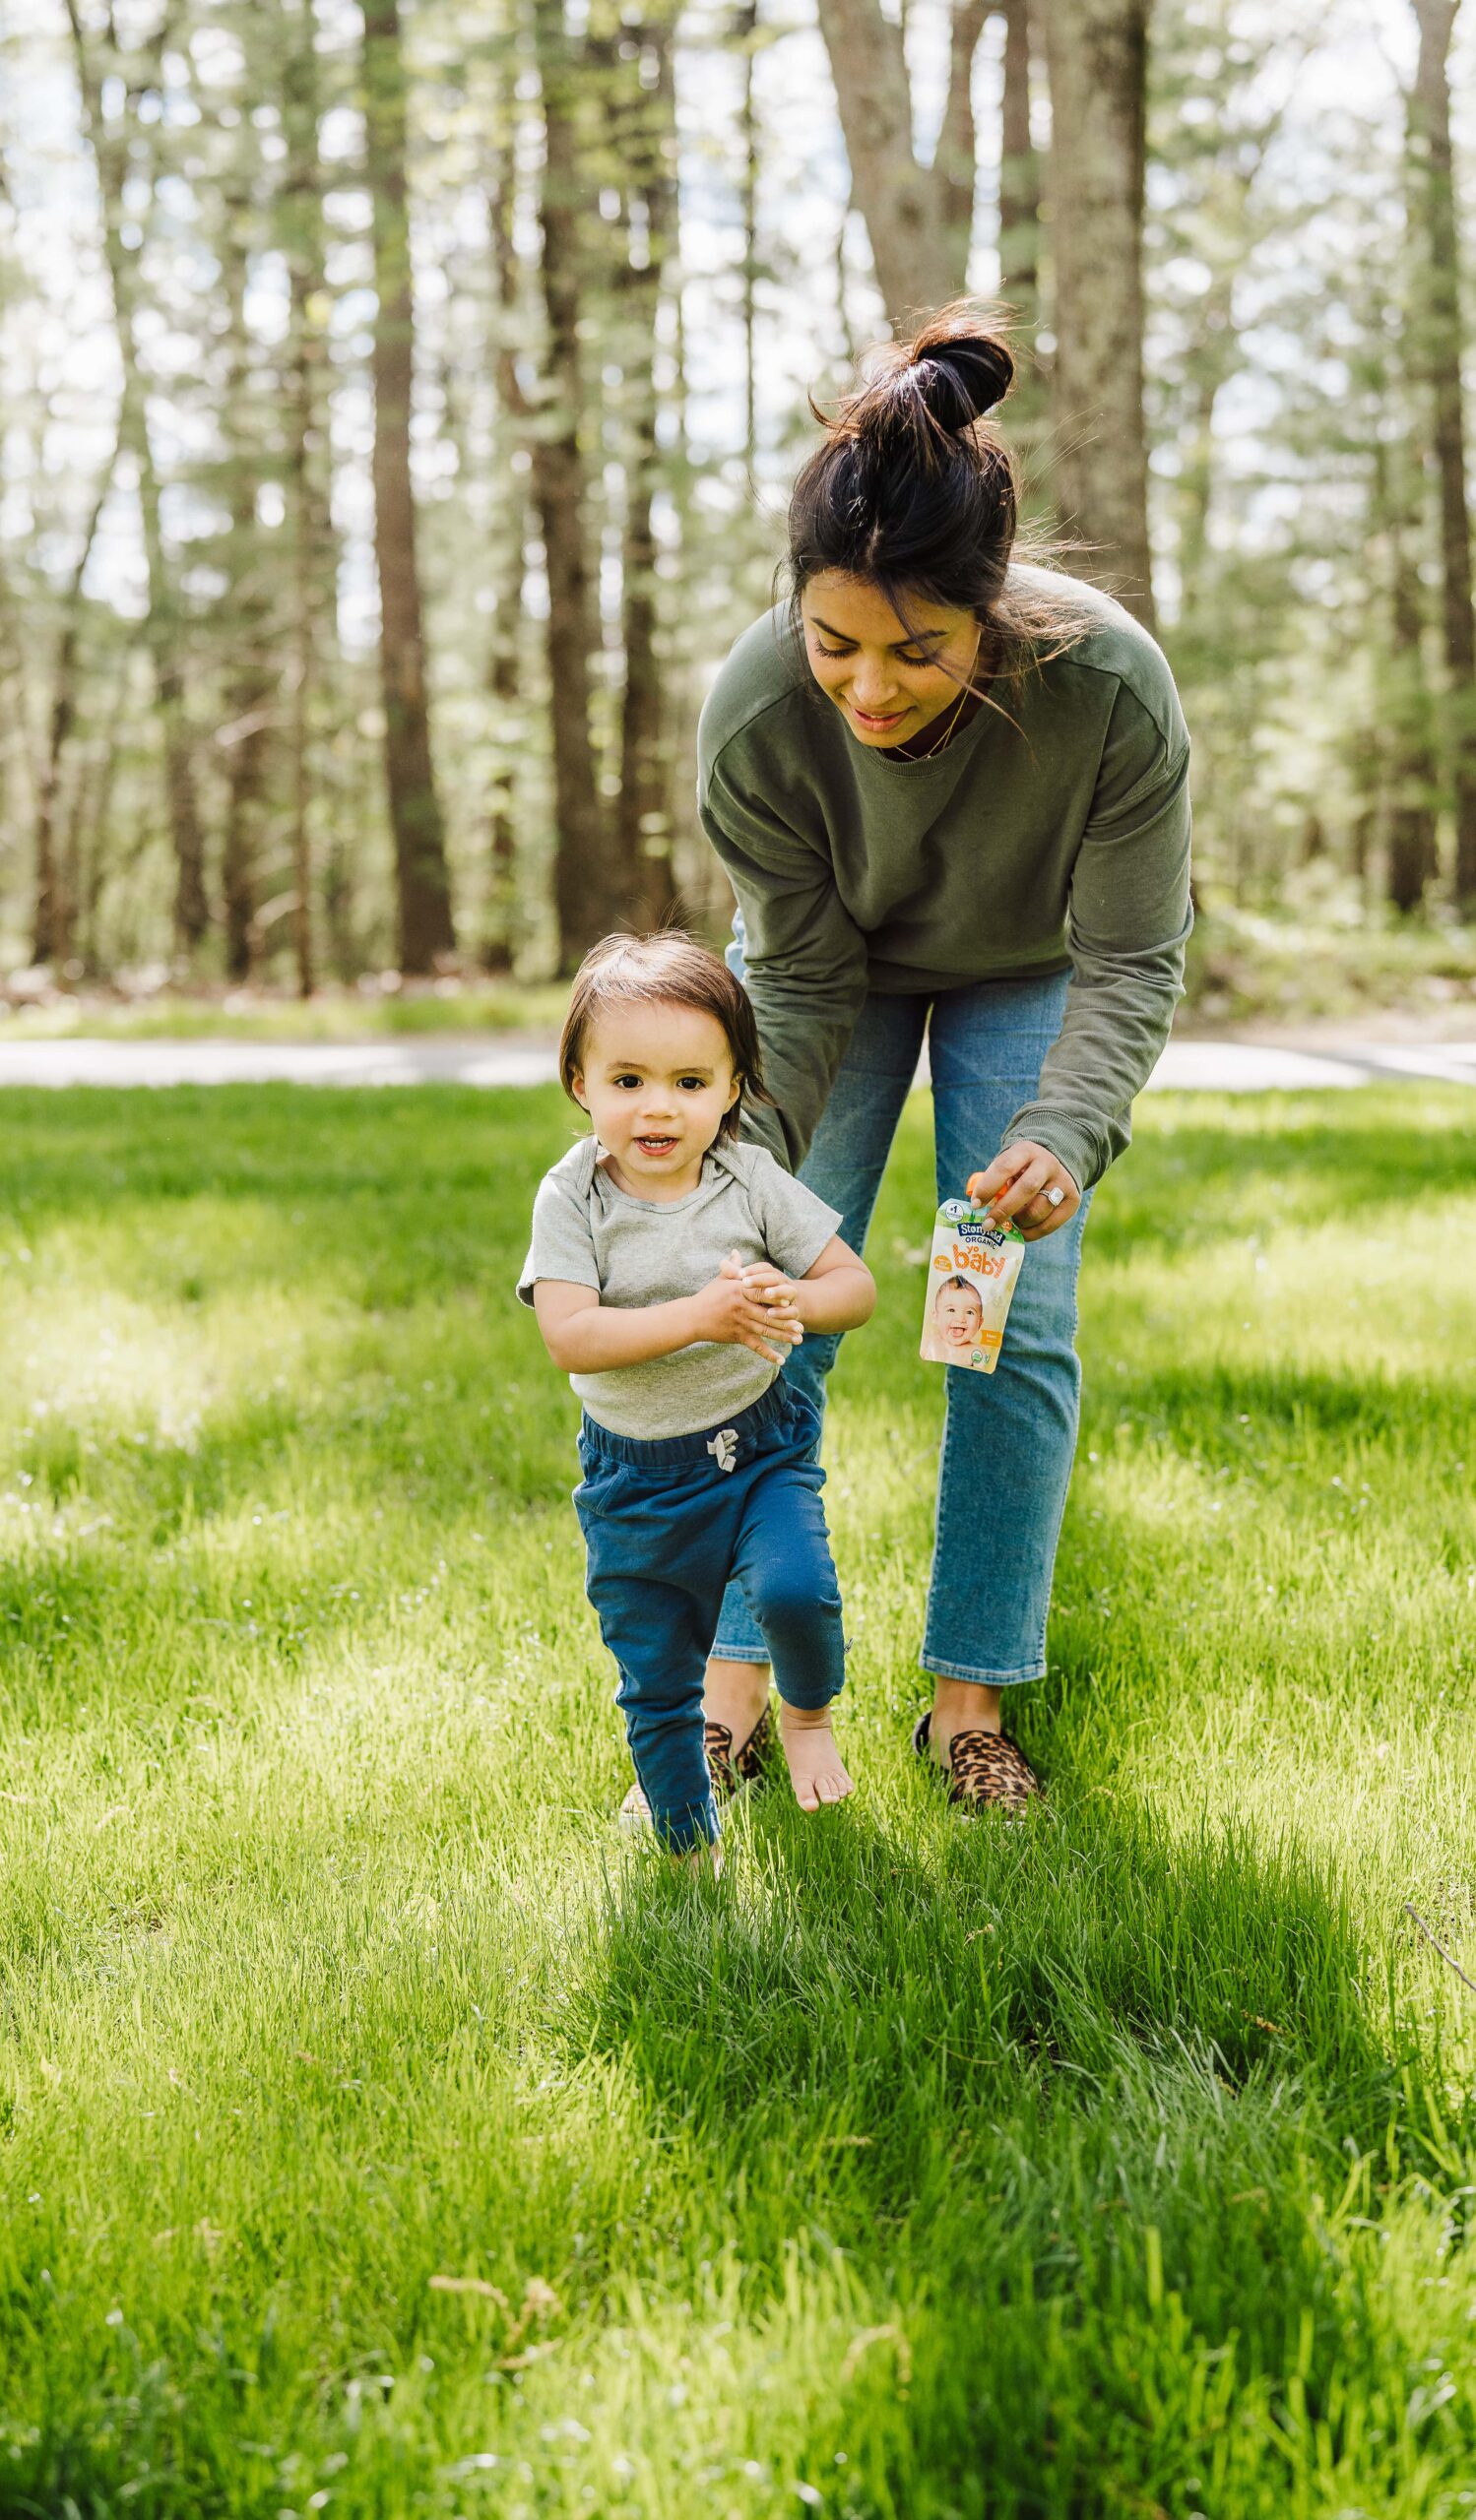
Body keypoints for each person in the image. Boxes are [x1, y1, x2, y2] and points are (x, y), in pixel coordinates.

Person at [695, 299, 1193, 1817]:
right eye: (832, 642)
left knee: (1006, 1324)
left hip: (1027, 979)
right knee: (770, 1310)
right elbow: (790, 966)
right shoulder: (758, 713)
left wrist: (1065, 1125)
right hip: (821, 985)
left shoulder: (1104, 689)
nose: (865, 686)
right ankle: (714, 1696)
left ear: (991, 613)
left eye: (914, 651)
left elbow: (1128, 954)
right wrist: (748, 1166)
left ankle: (964, 1703)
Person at [518, 933, 876, 1858]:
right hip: (637, 1479)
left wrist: (784, 1297)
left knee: (797, 1592)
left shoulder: (749, 1179)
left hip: (759, 1449)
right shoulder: (572, 1198)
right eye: (627, 1080)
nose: (658, 1108)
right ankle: (689, 1853)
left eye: (689, 1082)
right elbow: (571, 1337)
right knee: (657, 1680)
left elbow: (856, 1291)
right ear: (580, 1083)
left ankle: (802, 1719)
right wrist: (701, 1316)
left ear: (732, 1089)